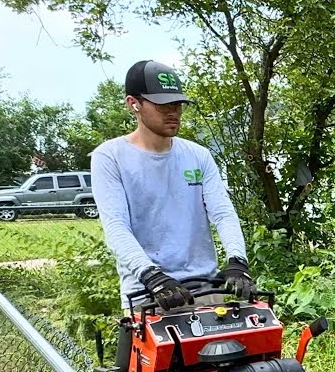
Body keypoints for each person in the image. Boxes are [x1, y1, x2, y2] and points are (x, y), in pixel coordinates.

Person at [91, 60, 255, 310]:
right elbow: (116, 227)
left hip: (205, 288)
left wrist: (237, 262)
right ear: (133, 103)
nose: (173, 112)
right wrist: (151, 276)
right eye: (162, 104)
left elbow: (223, 214)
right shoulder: (110, 157)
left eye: (177, 104)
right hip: (148, 293)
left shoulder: (198, 155)